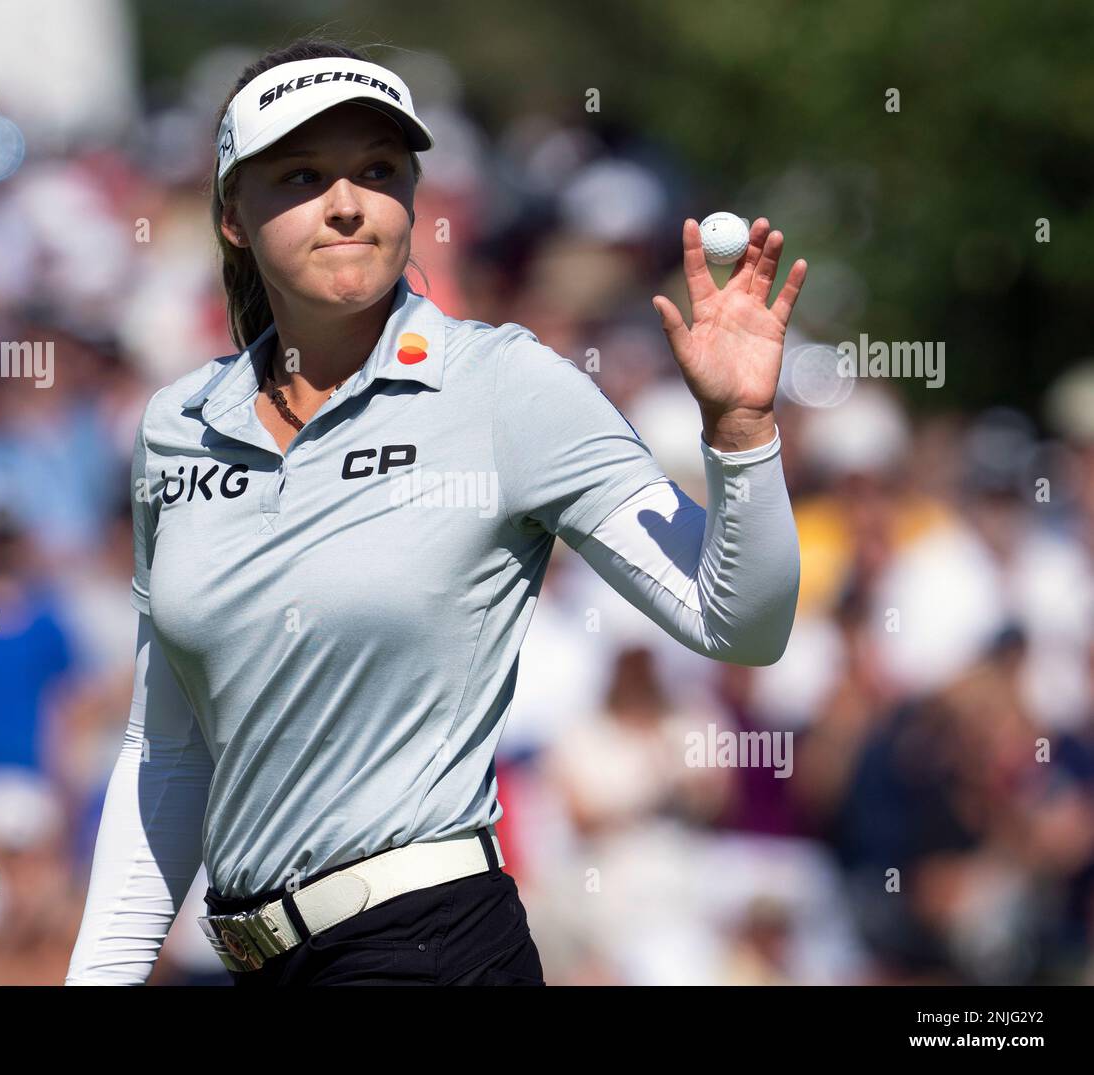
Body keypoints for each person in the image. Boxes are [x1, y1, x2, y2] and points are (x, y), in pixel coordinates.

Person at [65, 37, 806, 987]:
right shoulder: (176, 428)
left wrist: (742, 431)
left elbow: (739, 622)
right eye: (300, 175)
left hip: (432, 948)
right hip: (259, 963)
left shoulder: (503, 386)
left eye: (378, 172)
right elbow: (165, 750)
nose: (346, 205)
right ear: (233, 219)